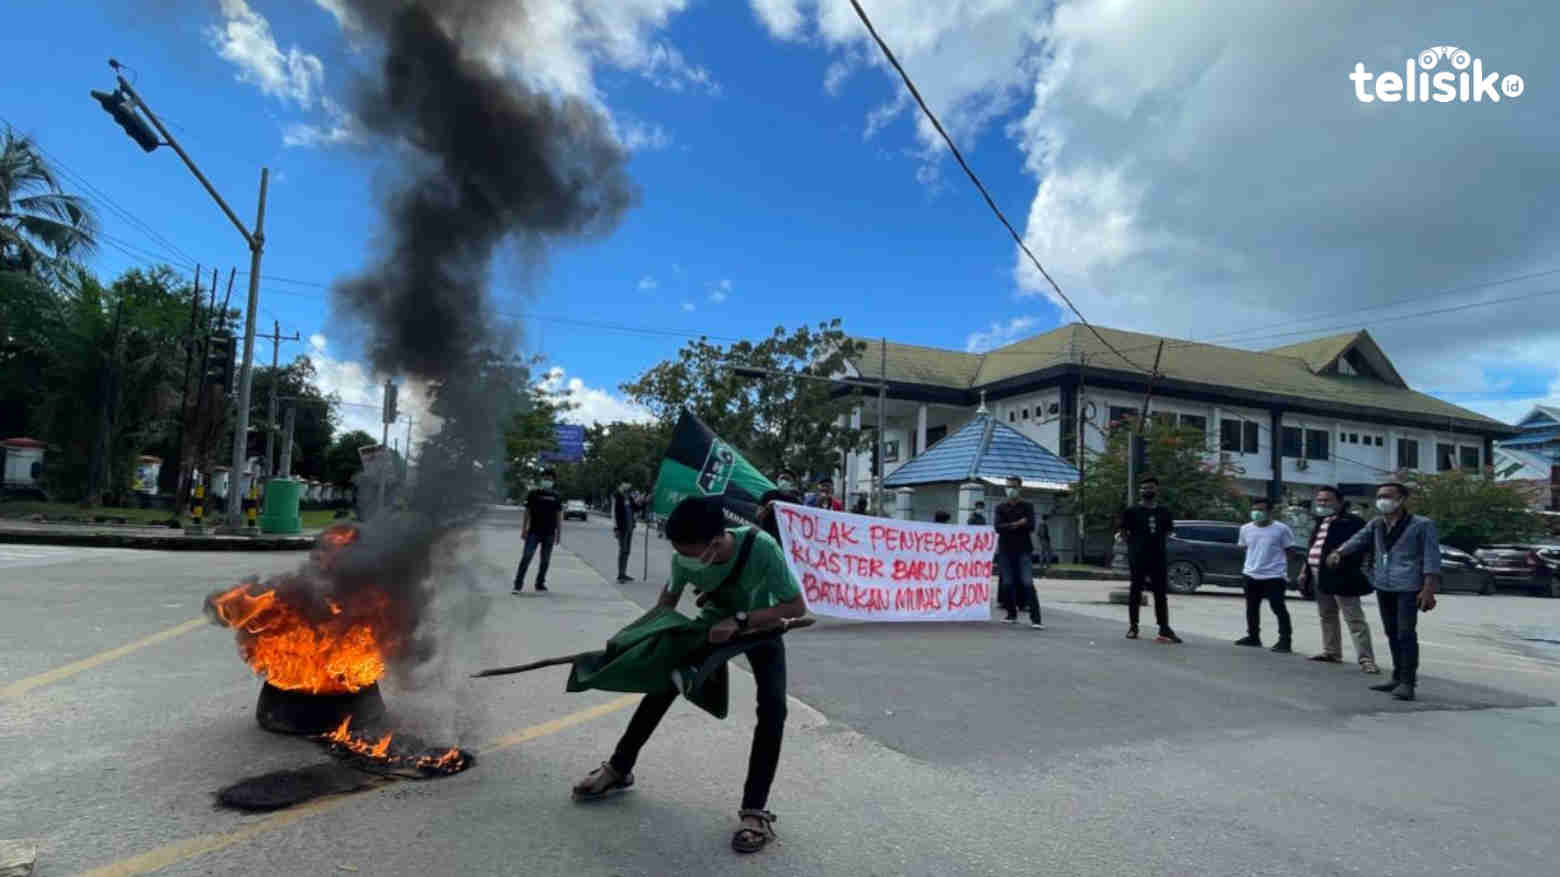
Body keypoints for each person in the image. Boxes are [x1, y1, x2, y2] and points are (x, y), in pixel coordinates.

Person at [571, 496, 807, 854]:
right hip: (710, 626)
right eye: (679, 552)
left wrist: (741, 621)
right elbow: (666, 605)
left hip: (761, 628)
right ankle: (619, 769)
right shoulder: (684, 556)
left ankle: (754, 811)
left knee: (774, 709)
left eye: (691, 552)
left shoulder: (762, 548)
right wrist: (635, 643)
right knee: (664, 684)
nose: (685, 559)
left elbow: (795, 606)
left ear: (715, 542)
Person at [1328, 482, 1439, 701]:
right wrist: (1339, 552)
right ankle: (1397, 677)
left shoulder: (1422, 525)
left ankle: (1408, 682)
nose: (1383, 500)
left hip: (1408, 586)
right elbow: (1358, 539)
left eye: (1388, 496)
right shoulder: (1377, 524)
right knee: (1391, 632)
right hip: (1384, 585)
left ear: (1401, 499)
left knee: (1406, 634)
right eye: (1380, 496)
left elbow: (1431, 558)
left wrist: (1428, 590)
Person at [1298, 489, 1379, 674]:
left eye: (1327, 500)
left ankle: (1366, 659)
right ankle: (1331, 652)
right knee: (1327, 615)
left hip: (1342, 576)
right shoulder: (1320, 522)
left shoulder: (1352, 522)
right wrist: (1305, 570)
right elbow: (1313, 547)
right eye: (1319, 500)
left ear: (1340, 502)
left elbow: (1363, 546)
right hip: (1319, 575)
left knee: (1354, 619)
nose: (1322, 503)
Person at [1116, 476, 1181, 643]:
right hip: (1138, 557)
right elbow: (1123, 531)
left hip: (1158, 557)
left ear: (1156, 490)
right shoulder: (1131, 511)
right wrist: (1133, 546)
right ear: (1140, 491)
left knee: (1160, 593)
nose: (1147, 491)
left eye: (1150, 488)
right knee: (1135, 592)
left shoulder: (1164, 511)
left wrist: (1157, 543)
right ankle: (1133, 626)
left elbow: (1168, 532)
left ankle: (1164, 627)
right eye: (1144, 488)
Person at [1233, 497, 1295, 652]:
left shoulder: (1281, 529)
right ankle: (1253, 637)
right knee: (1251, 607)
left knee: (1278, 607)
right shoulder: (1245, 529)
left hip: (1274, 575)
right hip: (1251, 574)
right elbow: (1245, 548)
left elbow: (1290, 552)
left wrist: (1286, 571)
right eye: (1254, 510)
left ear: (1269, 512)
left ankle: (1285, 640)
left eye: (1261, 510)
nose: (1257, 513)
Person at [994, 475, 1043, 629]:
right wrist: (1018, 523)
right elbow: (998, 527)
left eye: (1013, 486)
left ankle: (1036, 619)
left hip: (1023, 549)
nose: (1010, 490)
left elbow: (1031, 526)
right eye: (1008, 486)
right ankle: (1011, 614)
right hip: (1005, 550)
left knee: (1027, 582)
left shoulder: (1027, 506)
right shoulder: (1000, 507)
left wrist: (1010, 526)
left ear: (1020, 488)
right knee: (1007, 583)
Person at [514, 469, 562, 593]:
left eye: (550, 479)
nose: (548, 481)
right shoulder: (533, 493)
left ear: (554, 481)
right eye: (546, 478)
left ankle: (540, 583)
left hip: (549, 533)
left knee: (545, 561)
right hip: (533, 532)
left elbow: (558, 515)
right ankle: (517, 585)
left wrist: (559, 533)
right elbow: (527, 512)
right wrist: (524, 529)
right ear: (542, 479)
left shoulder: (556, 496)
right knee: (526, 557)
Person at [756, 468, 802, 546]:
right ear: (777, 480)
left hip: (785, 541)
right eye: (782, 478)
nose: (784, 481)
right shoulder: (768, 495)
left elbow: (799, 524)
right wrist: (768, 508)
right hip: (766, 537)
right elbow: (758, 516)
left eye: (787, 479)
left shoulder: (796, 502)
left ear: (792, 484)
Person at [613, 481, 637, 584]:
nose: (629, 486)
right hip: (622, 529)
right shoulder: (617, 497)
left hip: (630, 528)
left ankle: (624, 573)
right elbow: (615, 514)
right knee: (623, 551)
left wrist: (645, 501)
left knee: (627, 551)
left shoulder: (629, 497)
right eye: (627, 484)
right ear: (622, 485)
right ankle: (620, 575)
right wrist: (616, 529)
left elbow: (636, 508)